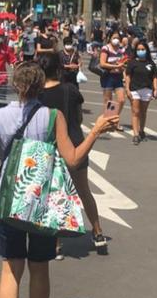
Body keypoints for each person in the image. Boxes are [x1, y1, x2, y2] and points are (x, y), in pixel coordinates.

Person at [0, 62, 119, 298]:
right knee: (39, 268)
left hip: (8, 199)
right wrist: (96, 130)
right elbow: (73, 158)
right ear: (42, 87)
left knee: (11, 270)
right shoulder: (53, 116)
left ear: (15, 85)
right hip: (42, 204)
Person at [36, 53, 108, 253]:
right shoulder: (70, 90)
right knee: (83, 189)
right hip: (75, 143)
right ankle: (97, 231)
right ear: (59, 70)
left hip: (49, 147)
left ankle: (57, 242)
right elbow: (78, 118)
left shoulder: (37, 95)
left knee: (53, 193)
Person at [123, 40, 157, 145]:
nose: (140, 51)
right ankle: (135, 134)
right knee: (136, 112)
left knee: (143, 112)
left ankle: (141, 130)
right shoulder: (132, 62)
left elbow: (154, 77)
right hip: (134, 89)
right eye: (138, 49)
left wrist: (155, 89)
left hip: (147, 90)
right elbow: (128, 76)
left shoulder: (151, 63)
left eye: (142, 49)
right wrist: (127, 89)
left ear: (146, 50)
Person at [98, 33, 128, 130]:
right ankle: (109, 122)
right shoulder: (105, 48)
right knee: (108, 101)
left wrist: (123, 66)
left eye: (118, 38)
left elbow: (123, 62)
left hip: (118, 77)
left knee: (121, 99)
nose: (116, 40)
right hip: (108, 77)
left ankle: (114, 120)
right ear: (109, 38)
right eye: (114, 38)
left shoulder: (121, 50)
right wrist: (115, 66)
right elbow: (102, 63)